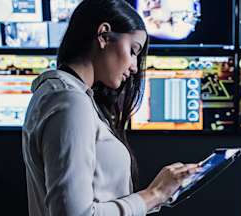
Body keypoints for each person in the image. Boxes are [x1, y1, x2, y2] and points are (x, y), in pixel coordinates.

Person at [22, 0, 200, 215]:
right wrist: (155, 194)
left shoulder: (64, 95)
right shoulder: (69, 101)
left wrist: (158, 195)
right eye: (133, 50)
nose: (134, 67)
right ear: (104, 36)